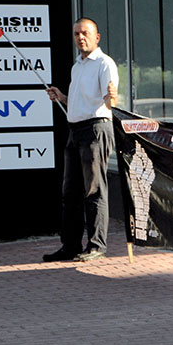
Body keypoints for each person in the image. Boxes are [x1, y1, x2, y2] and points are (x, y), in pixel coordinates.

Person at [42, 17, 119, 262]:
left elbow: (109, 101)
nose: (80, 37)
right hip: (75, 130)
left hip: (96, 129)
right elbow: (82, 101)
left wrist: (112, 98)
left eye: (85, 33)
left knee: (94, 190)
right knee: (71, 192)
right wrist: (62, 97)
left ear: (97, 37)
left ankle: (97, 246)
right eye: (76, 34)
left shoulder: (104, 63)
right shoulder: (77, 66)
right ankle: (71, 246)